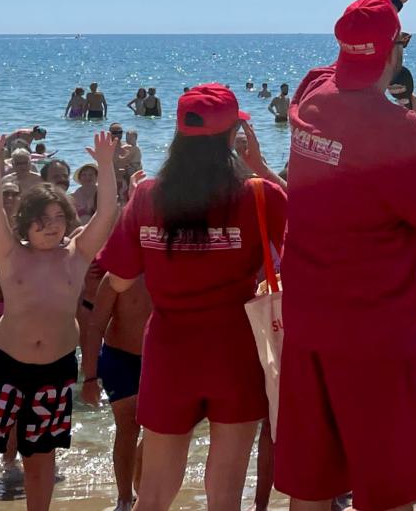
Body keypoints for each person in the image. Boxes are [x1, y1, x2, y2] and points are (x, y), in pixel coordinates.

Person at [274, 0, 416, 511]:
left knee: (312, 482)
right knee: (389, 487)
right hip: (375, 330)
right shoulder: (396, 128)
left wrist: (392, 3)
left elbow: (351, 53)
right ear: (394, 52)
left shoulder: (312, 95)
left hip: (309, 319)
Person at [96, 85, 284, 511]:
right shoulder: (259, 195)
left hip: (169, 350)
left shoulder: (148, 195)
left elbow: (120, 280)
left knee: (154, 492)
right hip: (234, 350)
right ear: (233, 135)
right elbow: (312, 239)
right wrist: (263, 169)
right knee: (225, 494)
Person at [0, 124, 119, 511]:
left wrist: (106, 164)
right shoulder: (10, 253)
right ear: (25, 222)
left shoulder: (77, 254)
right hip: (5, 367)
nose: (51, 225)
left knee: (40, 459)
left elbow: (107, 211)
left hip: (55, 370)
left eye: (58, 217)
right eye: (41, 218)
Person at [80, 262, 154, 511]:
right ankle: (124, 499)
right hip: (119, 358)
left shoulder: (170, 269)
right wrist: (90, 377)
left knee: (159, 430)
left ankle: (142, 487)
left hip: (159, 359)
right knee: (128, 426)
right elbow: (95, 326)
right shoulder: (117, 276)